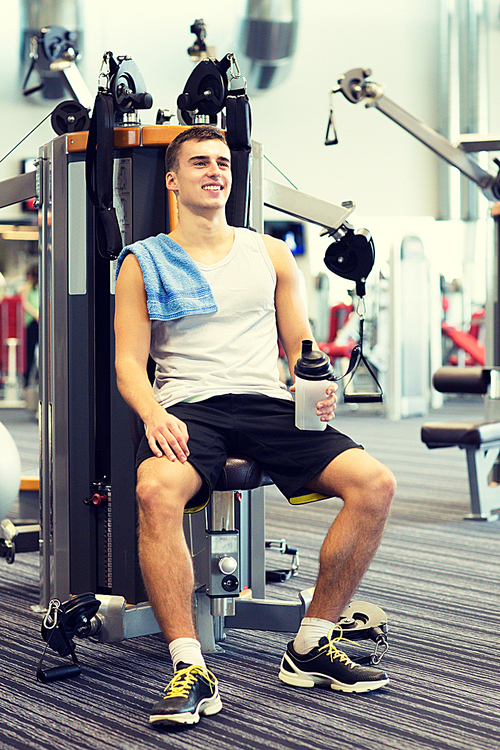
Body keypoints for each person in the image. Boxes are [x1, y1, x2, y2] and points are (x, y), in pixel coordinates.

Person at [114, 125, 396, 728]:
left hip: (267, 401)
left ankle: (311, 644)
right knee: (153, 489)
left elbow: (301, 343)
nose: (214, 171)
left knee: (374, 484)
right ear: (173, 180)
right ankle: (189, 665)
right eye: (198, 163)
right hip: (190, 406)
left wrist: (312, 385)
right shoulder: (143, 262)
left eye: (222, 162)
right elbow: (127, 365)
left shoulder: (268, 252)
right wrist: (154, 413)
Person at [20, 263, 39, 389]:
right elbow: (25, 304)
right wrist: (36, 314)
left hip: (41, 321)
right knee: (29, 352)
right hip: (31, 322)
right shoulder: (26, 288)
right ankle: (26, 380)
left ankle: (39, 378)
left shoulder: (40, 287)